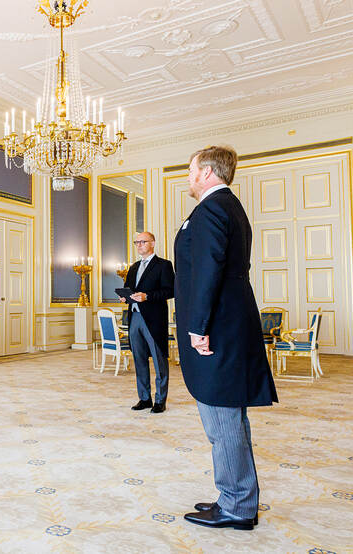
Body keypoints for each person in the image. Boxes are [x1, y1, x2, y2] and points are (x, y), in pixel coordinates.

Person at [174, 145, 277, 530]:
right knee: (229, 417)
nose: (188, 177)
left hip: (217, 329)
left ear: (205, 172)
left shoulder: (212, 208)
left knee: (223, 420)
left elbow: (207, 271)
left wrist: (198, 326)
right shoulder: (228, 206)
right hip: (229, 323)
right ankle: (236, 496)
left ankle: (236, 506)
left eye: (190, 170)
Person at [120, 232, 174, 413]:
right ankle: (144, 398)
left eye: (142, 242)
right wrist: (125, 297)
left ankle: (160, 401)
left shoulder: (164, 265)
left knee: (159, 361)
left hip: (154, 319)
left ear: (152, 243)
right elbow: (129, 289)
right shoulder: (134, 267)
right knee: (139, 359)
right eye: (137, 242)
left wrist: (147, 296)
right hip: (134, 317)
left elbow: (170, 291)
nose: (139, 245)